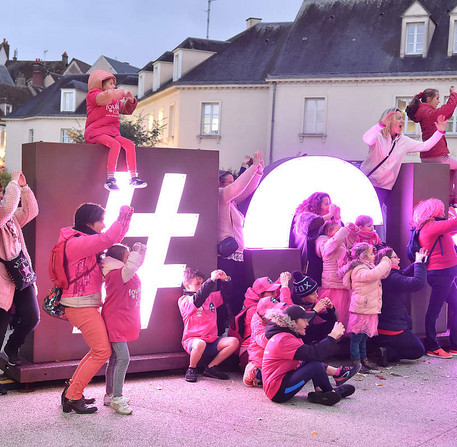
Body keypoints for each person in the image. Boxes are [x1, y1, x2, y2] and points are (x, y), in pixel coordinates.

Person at [60, 203, 133, 414]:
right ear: (88, 222)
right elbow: (108, 239)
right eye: (101, 220)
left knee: (98, 350)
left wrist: (126, 219)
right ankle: (72, 396)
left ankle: (72, 391)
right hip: (80, 305)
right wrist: (122, 217)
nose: (103, 225)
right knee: (102, 351)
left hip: (85, 304)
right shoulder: (76, 243)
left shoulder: (82, 240)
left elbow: (113, 240)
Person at [360, 108, 447, 238]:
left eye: (402, 118)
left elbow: (425, 146)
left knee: (377, 220)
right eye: (398, 118)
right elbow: (367, 139)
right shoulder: (378, 136)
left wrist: (440, 132)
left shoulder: (404, 141)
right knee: (364, 218)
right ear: (389, 120)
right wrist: (380, 125)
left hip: (384, 187)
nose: (402, 120)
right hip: (367, 182)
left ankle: (378, 246)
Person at [262, 305, 355, 405]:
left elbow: (312, 355)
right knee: (315, 364)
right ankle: (330, 392)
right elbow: (315, 353)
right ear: (293, 322)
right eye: (304, 320)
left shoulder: (287, 335)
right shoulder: (284, 340)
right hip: (278, 392)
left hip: (283, 381)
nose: (307, 324)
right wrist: (332, 337)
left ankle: (321, 392)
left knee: (313, 360)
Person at [0, 171, 39, 395]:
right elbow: (6, 209)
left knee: (32, 317)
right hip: (2, 282)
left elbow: (31, 211)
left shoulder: (11, 220)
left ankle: (13, 346)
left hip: (20, 277)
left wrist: (24, 188)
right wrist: (13, 183)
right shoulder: (3, 215)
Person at [217, 151, 264, 330]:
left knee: (238, 294)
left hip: (237, 254)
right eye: (228, 182)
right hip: (226, 256)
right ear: (220, 183)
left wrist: (258, 170)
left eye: (232, 181)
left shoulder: (231, 203)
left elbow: (247, 188)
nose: (232, 184)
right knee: (226, 295)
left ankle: (235, 328)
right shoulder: (220, 196)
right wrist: (252, 167)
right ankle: (223, 329)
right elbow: (238, 187)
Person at [101, 242, 147, 415]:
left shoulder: (123, 273)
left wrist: (141, 251)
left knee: (114, 360)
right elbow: (132, 266)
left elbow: (135, 265)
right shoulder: (117, 274)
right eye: (128, 257)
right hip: (115, 322)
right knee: (123, 358)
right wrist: (135, 252)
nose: (131, 261)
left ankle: (110, 394)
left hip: (119, 320)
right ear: (119, 260)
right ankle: (117, 398)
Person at [85, 69, 147, 191]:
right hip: (96, 132)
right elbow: (105, 97)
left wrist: (130, 101)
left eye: (114, 84)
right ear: (100, 84)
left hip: (112, 132)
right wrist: (121, 92)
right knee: (115, 145)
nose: (113, 86)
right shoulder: (93, 95)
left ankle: (133, 178)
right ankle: (110, 179)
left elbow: (125, 109)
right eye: (110, 84)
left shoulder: (114, 100)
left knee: (129, 144)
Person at [411, 198, 457, 358]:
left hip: (445, 272)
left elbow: (451, 229)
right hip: (441, 273)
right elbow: (453, 225)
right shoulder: (431, 226)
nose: (443, 213)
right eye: (441, 210)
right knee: (434, 310)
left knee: (455, 306)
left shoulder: (431, 227)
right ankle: (432, 346)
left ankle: (454, 345)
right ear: (433, 211)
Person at [178, 268, 239, 383]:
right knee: (200, 343)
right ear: (187, 285)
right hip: (193, 341)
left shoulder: (210, 298)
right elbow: (198, 298)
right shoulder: (184, 300)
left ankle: (211, 368)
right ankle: (191, 369)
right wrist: (211, 280)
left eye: (202, 283)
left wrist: (226, 280)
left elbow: (226, 295)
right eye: (197, 284)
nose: (201, 286)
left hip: (212, 341)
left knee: (233, 341)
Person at [339, 242, 391, 372]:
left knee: (363, 337)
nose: (374, 256)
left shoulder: (368, 266)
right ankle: (356, 362)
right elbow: (372, 276)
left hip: (368, 308)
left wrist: (387, 263)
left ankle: (364, 359)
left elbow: (382, 274)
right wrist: (384, 263)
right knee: (357, 337)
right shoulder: (359, 269)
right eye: (371, 253)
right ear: (363, 256)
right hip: (361, 308)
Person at [374, 246, 427, 366]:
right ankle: (387, 352)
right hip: (392, 327)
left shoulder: (384, 275)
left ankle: (386, 344)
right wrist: (419, 263)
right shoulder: (392, 278)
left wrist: (417, 263)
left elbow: (401, 274)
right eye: (395, 257)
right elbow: (418, 283)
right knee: (418, 351)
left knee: (409, 322)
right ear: (386, 260)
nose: (399, 259)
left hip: (384, 324)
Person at [406, 87, 457, 206]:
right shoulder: (429, 113)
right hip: (437, 155)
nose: (439, 102)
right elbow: (447, 110)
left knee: (449, 171)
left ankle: (449, 197)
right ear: (429, 99)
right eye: (437, 98)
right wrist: (453, 95)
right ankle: (454, 199)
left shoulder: (421, 111)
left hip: (426, 156)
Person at [243, 272, 293, 387]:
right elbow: (288, 314)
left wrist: (283, 281)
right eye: (271, 292)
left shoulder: (267, 302)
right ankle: (254, 372)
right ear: (260, 294)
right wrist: (284, 288)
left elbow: (288, 313)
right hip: (252, 354)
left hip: (267, 349)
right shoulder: (255, 311)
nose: (275, 294)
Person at [290, 192, 340, 285]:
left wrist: (336, 218)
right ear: (317, 205)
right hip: (310, 261)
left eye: (329, 203)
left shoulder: (325, 220)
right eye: (326, 204)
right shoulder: (304, 216)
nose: (329, 207)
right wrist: (330, 214)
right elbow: (313, 224)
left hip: (322, 260)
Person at [316, 221, 355, 329]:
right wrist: (345, 229)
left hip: (342, 281)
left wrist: (354, 231)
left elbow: (350, 241)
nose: (341, 232)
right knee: (335, 311)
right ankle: (331, 335)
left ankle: (341, 334)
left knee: (345, 312)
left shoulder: (340, 241)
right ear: (329, 231)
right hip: (332, 285)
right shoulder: (323, 242)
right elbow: (335, 242)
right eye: (338, 229)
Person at [291, 271, 337, 344]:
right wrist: (314, 311)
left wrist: (330, 308)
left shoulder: (313, 302)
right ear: (303, 296)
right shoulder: (292, 305)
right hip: (296, 337)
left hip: (307, 332)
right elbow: (295, 328)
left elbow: (332, 319)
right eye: (313, 294)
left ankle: (321, 347)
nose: (317, 296)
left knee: (332, 324)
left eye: (316, 292)